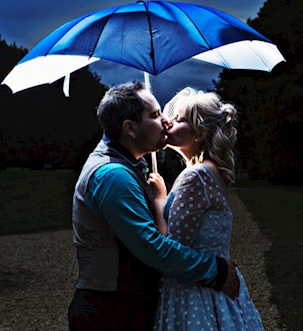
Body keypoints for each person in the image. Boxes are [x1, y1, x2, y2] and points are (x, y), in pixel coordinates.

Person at [68, 81, 240, 331]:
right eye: (156, 115)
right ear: (130, 128)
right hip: (112, 311)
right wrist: (216, 270)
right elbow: (151, 246)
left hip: (125, 304)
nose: (165, 121)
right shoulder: (112, 175)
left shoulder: (127, 165)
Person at [149, 87, 264, 330]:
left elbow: (173, 247)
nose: (168, 123)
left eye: (178, 119)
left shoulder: (197, 176)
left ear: (200, 134)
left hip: (196, 292)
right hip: (213, 286)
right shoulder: (209, 171)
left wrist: (159, 199)